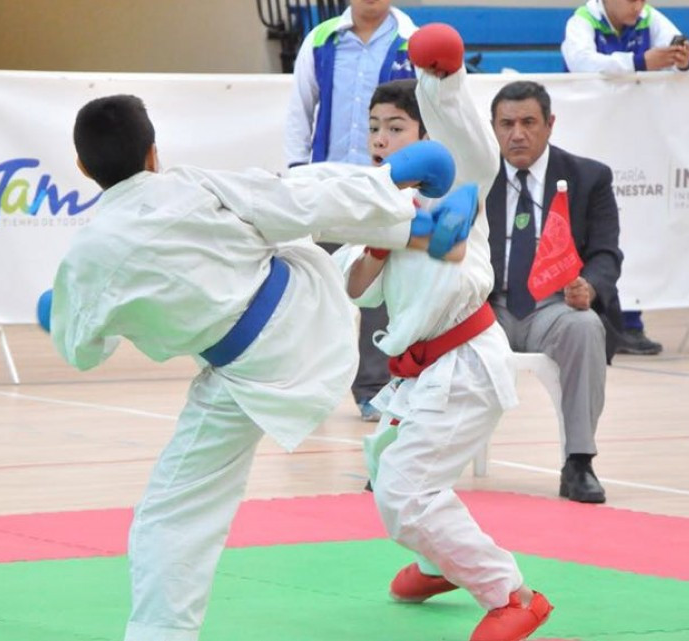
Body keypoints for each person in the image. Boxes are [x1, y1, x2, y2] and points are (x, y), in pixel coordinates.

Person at [53, 94, 454, 641]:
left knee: (174, 508)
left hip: (247, 369)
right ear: (153, 154)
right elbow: (298, 201)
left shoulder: (90, 252)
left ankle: (160, 631)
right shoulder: (192, 183)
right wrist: (390, 185)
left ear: (82, 168)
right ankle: (409, 210)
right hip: (309, 304)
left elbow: (81, 352)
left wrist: (77, 314)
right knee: (291, 189)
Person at [338, 38, 552, 640]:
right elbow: (358, 287)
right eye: (374, 128)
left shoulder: (461, 185)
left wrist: (444, 78)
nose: (381, 139)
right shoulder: (376, 199)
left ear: (428, 133)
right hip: (418, 373)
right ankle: (438, 566)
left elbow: (462, 147)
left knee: (407, 487)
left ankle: (513, 595)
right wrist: (381, 242)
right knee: (385, 465)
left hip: (465, 362)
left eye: (397, 127)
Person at [485, 80, 624, 505]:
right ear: (492, 128)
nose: (517, 134)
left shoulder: (588, 177)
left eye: (529, 122)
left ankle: (578, 462)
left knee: (584, 328)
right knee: (434, 326)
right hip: (488, 305)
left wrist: (590, 287)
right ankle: (410, 454)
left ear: (550, 124)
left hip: (555, 304)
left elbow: (605, 253)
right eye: (506, 124)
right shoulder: (475, 173)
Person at [285, 0, 418, 421]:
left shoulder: (412, 42)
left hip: (385, 187)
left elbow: (430, 111)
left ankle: (372, 389)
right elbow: (299, 110)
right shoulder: (320, 39)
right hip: (326, 186)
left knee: (378, 289)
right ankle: (308, 388)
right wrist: (296, 173)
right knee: (319, 289)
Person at [561, 0, 689, 355]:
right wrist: (639, 63)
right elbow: (580, 62)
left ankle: (631, 324)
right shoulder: (583, 20)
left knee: (638, 231)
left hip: (636, 148)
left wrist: (685, 60)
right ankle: (594, 324)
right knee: (588, 235)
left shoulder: (650, 18)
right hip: (587, 144)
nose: (638, 5)